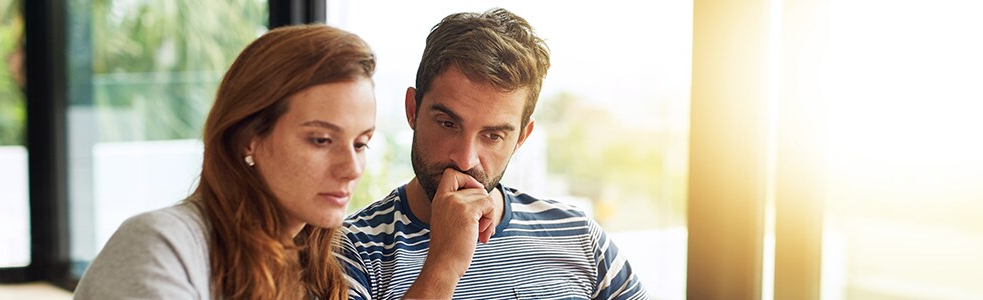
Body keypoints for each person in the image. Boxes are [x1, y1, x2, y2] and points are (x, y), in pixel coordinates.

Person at [336, 8, 647, 299]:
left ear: (521, 138)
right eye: (448, 123)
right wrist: (444, 265)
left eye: (493, 135)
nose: (465, 159)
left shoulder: (580, 237)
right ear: (413, 110)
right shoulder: (349, 248)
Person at [73, 24, 376, 299]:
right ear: (248, 138)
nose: (350, 169)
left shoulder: (320, 274)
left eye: (361, 143)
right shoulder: (161, 246)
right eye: (321, 140)